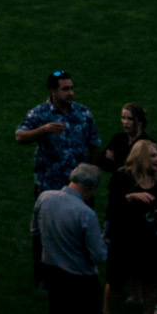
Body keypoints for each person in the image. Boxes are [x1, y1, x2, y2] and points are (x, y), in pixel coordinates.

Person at [28, 164, 109, 314]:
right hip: (81, 284)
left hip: (55, 278)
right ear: (91, 188)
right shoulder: (86, 215)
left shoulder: (45, 197)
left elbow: (35, 231)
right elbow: (99, 255)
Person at [16, 70, 101, 285]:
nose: (71, 93)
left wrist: (93, 172)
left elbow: (94, 144)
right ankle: (42, 275)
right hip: (49, 184)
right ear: (53, 91)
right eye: (65, 89)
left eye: (71, 88)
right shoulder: (40, 113)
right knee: (43, 230)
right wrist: (42, 130)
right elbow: (20, 136)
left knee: (83, 226)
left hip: (80, 186)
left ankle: (81, 269)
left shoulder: (83, 113)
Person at [103, 138, 157, 314]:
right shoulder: (122, 178)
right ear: (141, 156)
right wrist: (130, 197)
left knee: (151, 281)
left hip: (152, 240)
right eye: (153, 155)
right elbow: (113, 207)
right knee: (115, 281)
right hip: (126, 238)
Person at [97, 101, 151, 176]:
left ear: (139, 121)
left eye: (130, 119)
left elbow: (138, 170)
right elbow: (102, 162)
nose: (125, 122)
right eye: (123, 118)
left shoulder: (146, 143)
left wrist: (114, 162)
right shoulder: (118, 138)